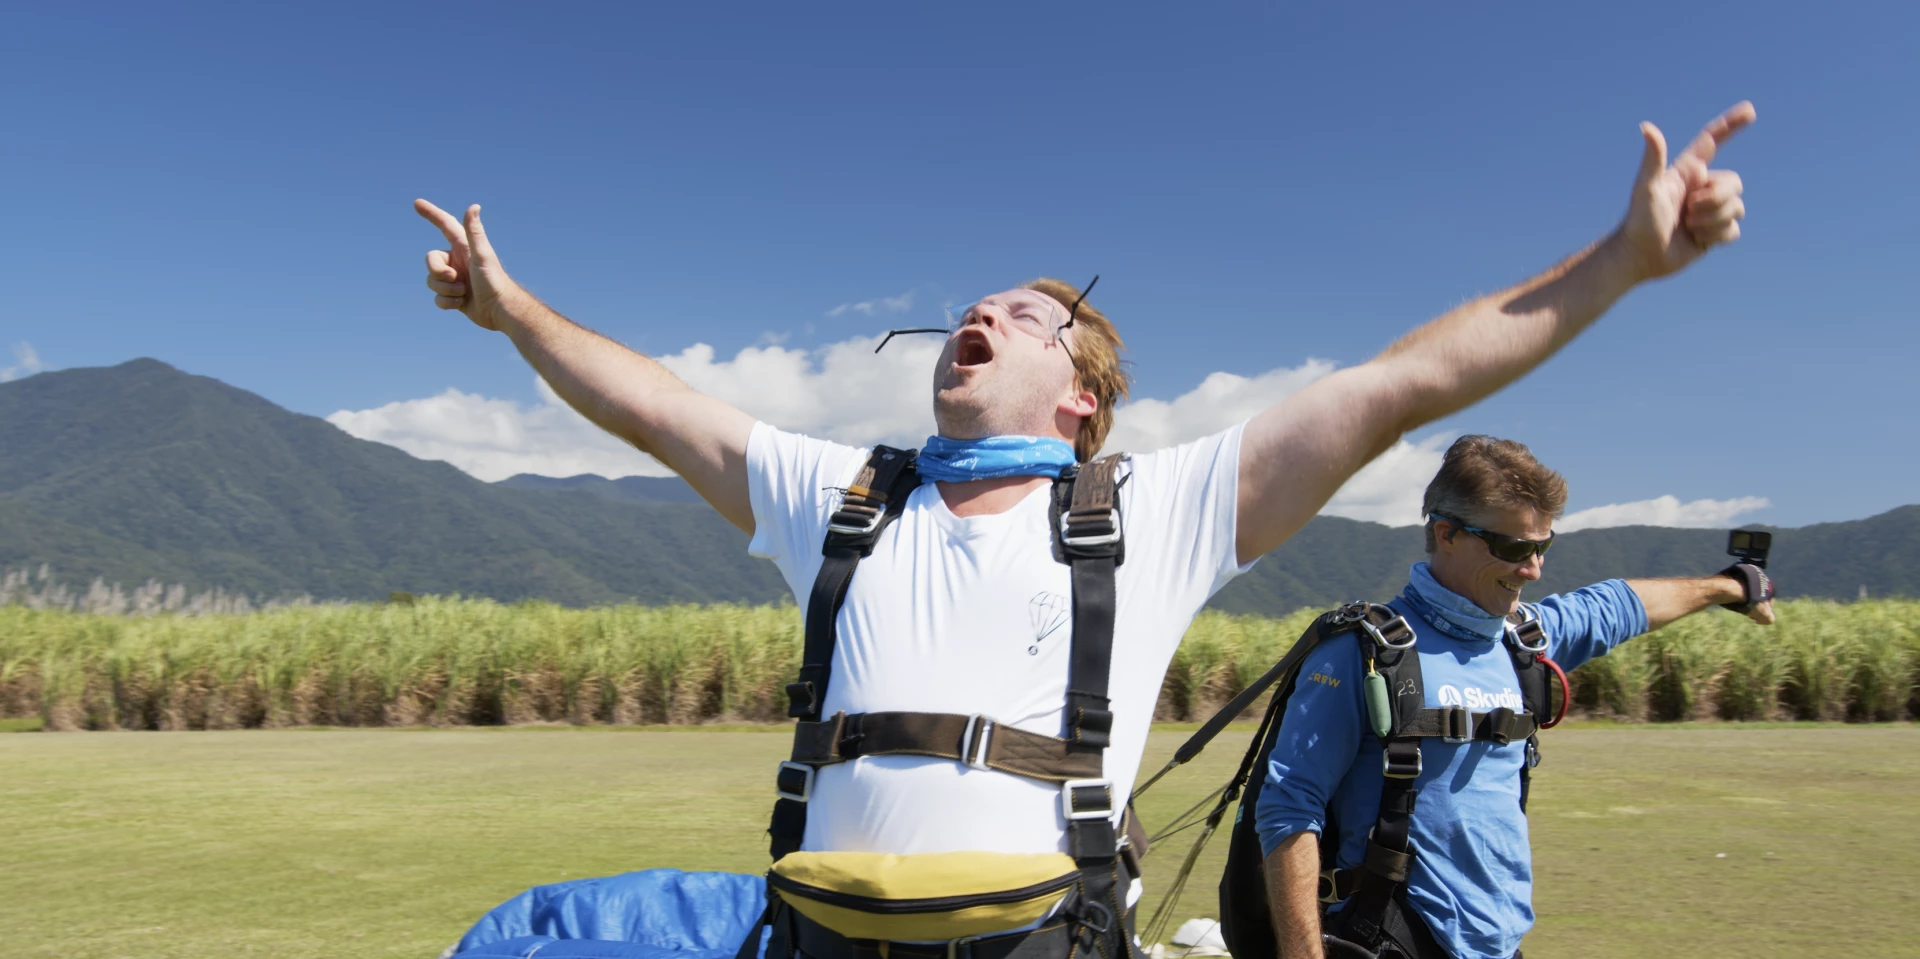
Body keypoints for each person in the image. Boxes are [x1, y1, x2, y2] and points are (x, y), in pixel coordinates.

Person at [414, 102, 1755, 959]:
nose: (977, 315)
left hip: (1042, 939)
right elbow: (656, 408)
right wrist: (510, 311)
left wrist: (1617, 265)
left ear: (1080, 397)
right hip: (820, 928)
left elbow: (1400, 384)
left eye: (1023, 315)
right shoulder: (843, 491)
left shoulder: (1154, 508)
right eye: (971, 307)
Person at [1253, 435, 1778, 959]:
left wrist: (1731, 586)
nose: (1533, 569)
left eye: (1542, 547)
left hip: (1502, 945)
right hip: (1394, 938)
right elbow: (1289, 808)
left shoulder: (1523, 638)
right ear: (1447, 533)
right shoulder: (1362, 653)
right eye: (1512, 548)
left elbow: (1619, 605)